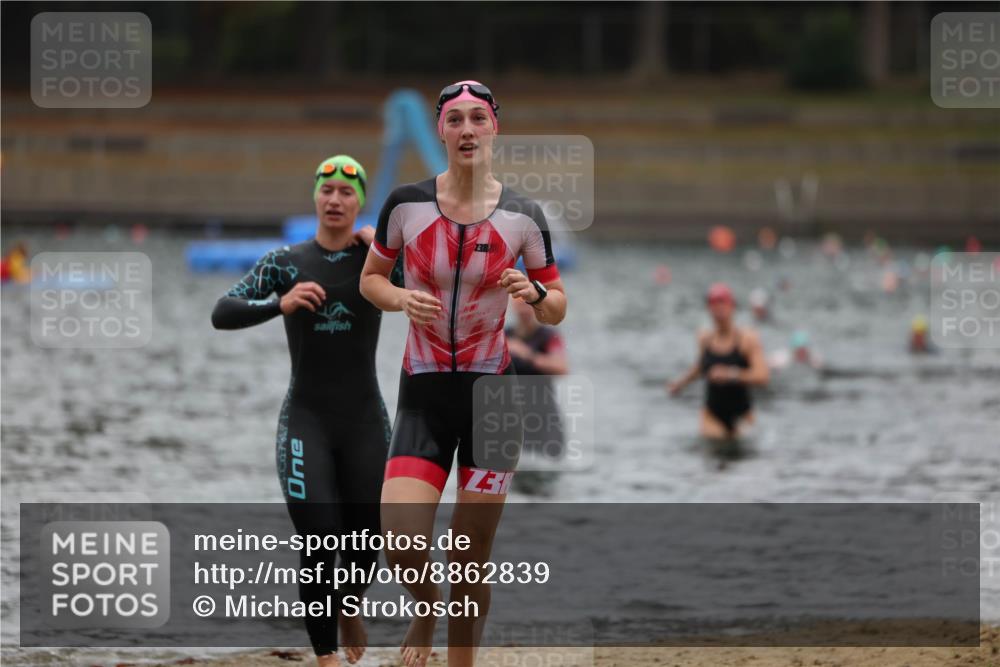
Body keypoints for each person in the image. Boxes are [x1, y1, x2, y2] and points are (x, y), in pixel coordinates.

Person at [359, 80, 567, 667]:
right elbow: (370, 281)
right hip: (423, 390)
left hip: (493, 399)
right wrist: (401, 300)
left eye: (479, 118)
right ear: (443, 131)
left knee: (470, 560)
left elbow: (557, 305)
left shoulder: (524, 216)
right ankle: (427, 609)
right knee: (401, 539)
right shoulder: (405, 204)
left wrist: (533, 291)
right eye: (455, 120)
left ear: (494, 128)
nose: (468, 129)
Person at [212, 155, 392, 667]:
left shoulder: (373, 260)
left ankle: (347, 606)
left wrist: (385, 246)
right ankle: (326, 656)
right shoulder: (284, 262)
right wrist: (279, 304)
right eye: (326, 189)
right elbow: (221, 312)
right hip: (306, 420)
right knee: (319, 538)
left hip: (363, 419)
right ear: (315, 196)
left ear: (359, 201)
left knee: (365, 541)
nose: (335, 199)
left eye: (346, 191)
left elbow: (429, 280)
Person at [668, 283, 769, 440]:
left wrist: (731, 374)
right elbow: (701, 366)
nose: (719, 309)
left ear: (732, 306)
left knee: (745, 458)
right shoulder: (704, 338)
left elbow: (762, 376)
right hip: (712, 414)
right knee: (712, 454)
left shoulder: (748, 339)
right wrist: (680, 383)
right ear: (709, 309)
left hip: (742, 414)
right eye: (714, 304)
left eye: (723, 303)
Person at [505, 297, 569, 464]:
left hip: (544, 416)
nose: (525, 310)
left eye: (529, 306)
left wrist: (528, 355)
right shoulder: (505, 336)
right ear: (513, 307)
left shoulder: (548, 336)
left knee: (549, 464)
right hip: (514, 417)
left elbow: (562, 368)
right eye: (520, 306)